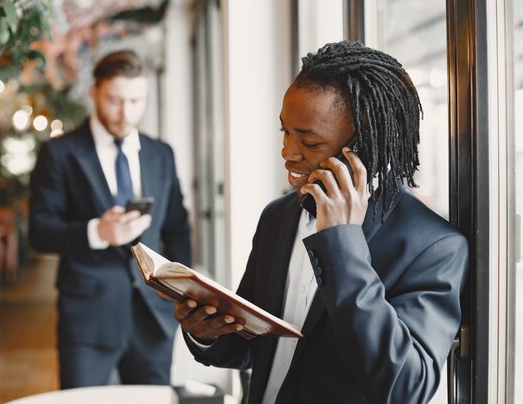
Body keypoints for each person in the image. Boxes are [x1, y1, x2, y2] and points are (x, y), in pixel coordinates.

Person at [175, 41, 468, 404]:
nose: (287, 152)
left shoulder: (433, 246)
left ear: (365, 145)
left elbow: (406, 387)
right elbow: (254, 346)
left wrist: (343, 247)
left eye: (309, 142)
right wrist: (206, 333)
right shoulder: (277, 217)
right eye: (285, 132)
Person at [29, 50, 191, 388]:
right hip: (87, 317)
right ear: (94, 93)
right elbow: (39, 231)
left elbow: (177, 226)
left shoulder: (161, 153)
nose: (125, 112)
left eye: (136, 100)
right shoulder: (59, 153)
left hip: (153, 317)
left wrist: (178, 291)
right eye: (115, 100)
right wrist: (97, 232)